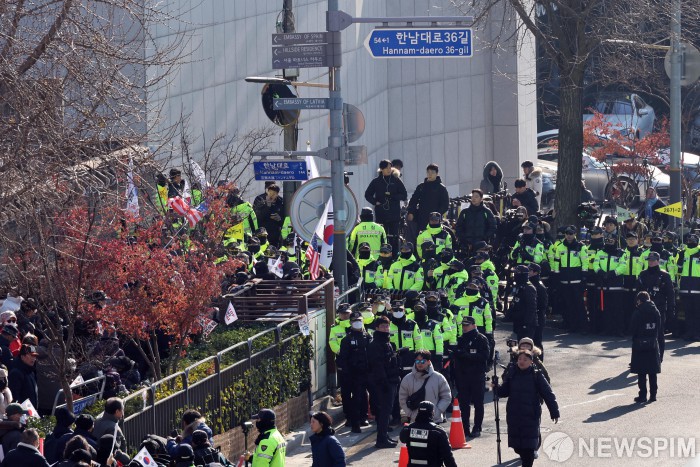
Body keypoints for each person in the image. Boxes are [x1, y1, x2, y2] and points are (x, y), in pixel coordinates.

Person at [495, 350, 560, 467]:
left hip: (531, 415)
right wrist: (496, 386)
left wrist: (554, 411)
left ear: (531, 361)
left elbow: (548, 393)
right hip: (514, 415)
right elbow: (504, 392)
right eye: (520, 359)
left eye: (525, 359)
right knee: (518, 447)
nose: (521, 361)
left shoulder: (537, 375)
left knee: (528, 449)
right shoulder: (512, 373)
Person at [367, 316, 402, 448]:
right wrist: (385, 383)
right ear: (377, 328)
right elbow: (378, 365)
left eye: (387, 326)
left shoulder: (386, 342)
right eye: (382, 326)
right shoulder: (375, 344)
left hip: (391, 380)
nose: (386, 329)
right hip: (383, 383)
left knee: (387, 411)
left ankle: (384, 436)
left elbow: (388, 361)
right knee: (384, 412)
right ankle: (381, 439)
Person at [453, 316, 490, 438]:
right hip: (463, 376)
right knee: (464, 404)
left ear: (474, 325)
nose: (464, 327)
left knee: (478, 403)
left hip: (477, 375)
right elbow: (456, 356)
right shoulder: (461, 339)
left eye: (467, 325)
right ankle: (465, 427)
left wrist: (467, 356)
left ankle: (477, 427)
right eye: (463, 325)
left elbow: (484, 356)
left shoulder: (481, 339)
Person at [364, 160, 408, 255]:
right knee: (382, 236)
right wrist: (375, 202)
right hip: (381, 214)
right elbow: (367, 195)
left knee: (394, 237)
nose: (389, 170)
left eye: (390, 167)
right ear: (381, 169)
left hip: (394, 213)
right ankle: (382, 254)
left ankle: (394, 255)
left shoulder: (396, 180)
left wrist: (393, 197)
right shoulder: (376, 181)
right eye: (386, 168)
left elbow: (404, 195)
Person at [636, 252, 674, 361]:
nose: (651, 262)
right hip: (644, 309)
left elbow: (670, 294)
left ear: (658, 261)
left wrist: (671, 309)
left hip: (659, 308)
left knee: (659, 334)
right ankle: (640, 357)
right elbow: (638, 291)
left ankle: (659, 357)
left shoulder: (665, 275)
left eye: (653, 260)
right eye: (649, 260)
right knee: (641, 333)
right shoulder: (643, 274)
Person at [336, 312, 370, 433]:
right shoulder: (347, 339)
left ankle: (363, 417)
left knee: (361, 396)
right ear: (350, 323)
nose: (357, 322)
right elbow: (343, 358)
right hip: (350, 373)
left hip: (364, 372)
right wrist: (346, 372)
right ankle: (349, 418)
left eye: (359, 320)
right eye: (355, 320)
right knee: (347, 396)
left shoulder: (368, 337)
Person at [398, 350, 452, 424]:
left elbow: (446, 396)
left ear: (429, 362)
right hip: (415, 421)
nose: (420, 364)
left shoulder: (439, 377)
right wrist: (410, 414)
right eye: (417, 361)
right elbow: (402, 399)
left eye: (423, 361)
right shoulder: (407, 379)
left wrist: (437, 411)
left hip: (435, 420)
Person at [399, 401, 458, 467]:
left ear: (418, 412)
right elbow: (447, 457)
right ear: (432, 412)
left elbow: (402, 439)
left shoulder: (407, 430)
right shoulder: (438, 432)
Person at [630, 292, 662, 403]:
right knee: (652, 371)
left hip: (640, 345)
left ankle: (642, 395)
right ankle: (653, 395)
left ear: (640, 300)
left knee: (642, 372)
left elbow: (633, 329)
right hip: (653, 344)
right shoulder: (656, 311)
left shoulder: (638, 312)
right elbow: (659, 328)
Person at [407, 164, 450, 234]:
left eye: (432, 172)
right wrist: (411, 212)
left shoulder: (441, 188)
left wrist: (437, 215)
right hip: (422, 218)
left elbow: (445, 205)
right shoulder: (421, 187)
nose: (430, 174)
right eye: (428, 172)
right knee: (421, 238)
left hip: (435, 220)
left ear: (437, 174)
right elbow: (413, 201)